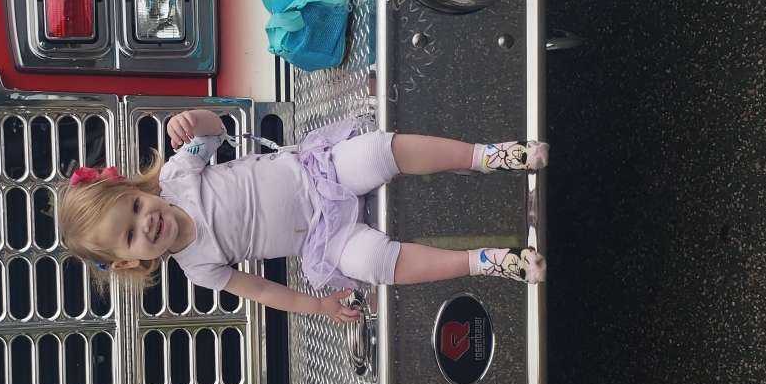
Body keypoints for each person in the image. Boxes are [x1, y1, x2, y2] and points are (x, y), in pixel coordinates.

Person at [57, 108, 547, 324]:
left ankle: (486, 156)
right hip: (323, 237)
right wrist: (319, 307)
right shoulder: (198, 267)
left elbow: (216, 131)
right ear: (128, 262)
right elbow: (262, 290)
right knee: (375, 265)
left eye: (135, 206)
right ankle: (485, 261)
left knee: (377, 151)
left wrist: (191, 120)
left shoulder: (178, 176)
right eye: (130, 235)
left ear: (135, 188)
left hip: (320, 173)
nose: (145, 222)